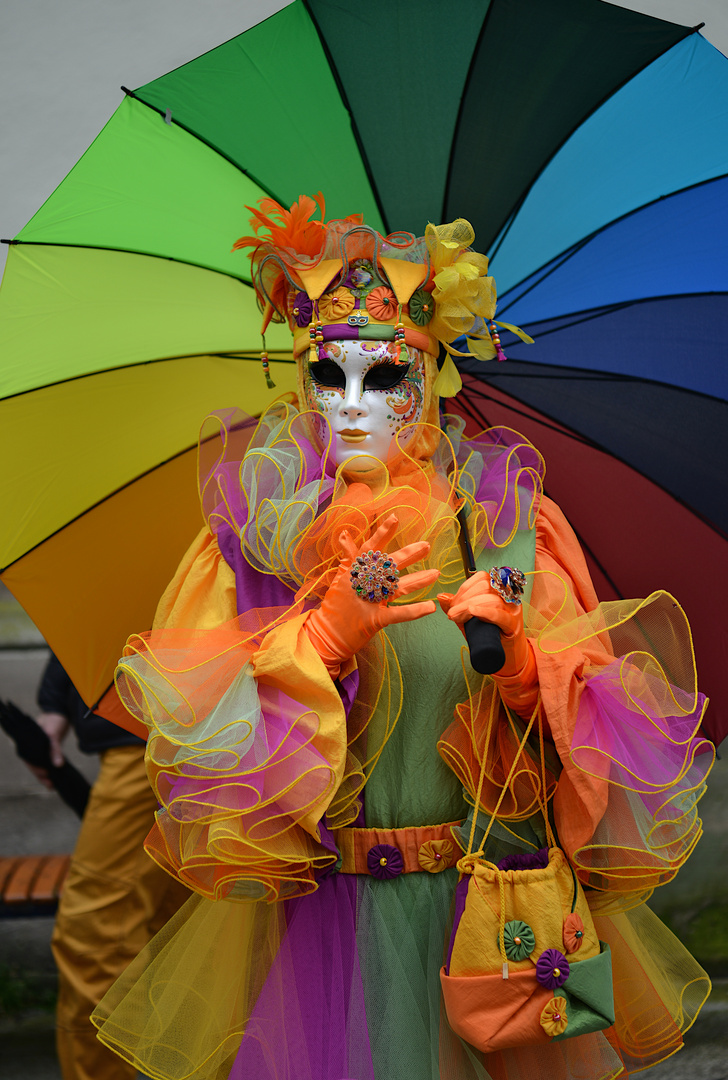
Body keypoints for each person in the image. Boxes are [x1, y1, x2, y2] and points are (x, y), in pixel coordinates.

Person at [92, 198, 713, 1080]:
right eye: (326, 376)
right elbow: (201, 752)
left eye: (383, 378)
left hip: (503, 912)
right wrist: (319, 642)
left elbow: (608, 735)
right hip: (336, 938)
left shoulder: (509, 525)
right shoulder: (249, 544)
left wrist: (526, 665)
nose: (351, 406)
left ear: (432, 377)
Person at [32, 652, 188, 1080]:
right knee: (184, 938)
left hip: (159, 737)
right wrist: (57, 702)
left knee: (95, 940)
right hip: (161, 728)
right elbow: (93, 603)